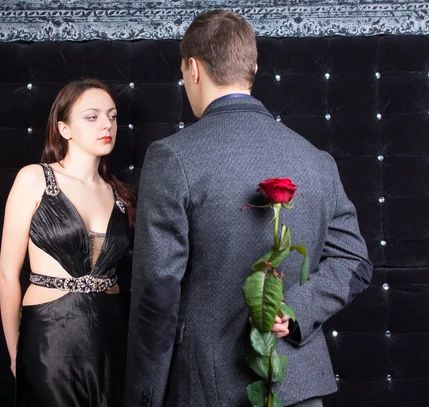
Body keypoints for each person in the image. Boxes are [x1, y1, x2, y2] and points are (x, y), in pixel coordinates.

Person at [124, 9, 373, 407]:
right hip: (300, 389)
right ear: (253, 66)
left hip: (209, 391)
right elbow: (355, 261)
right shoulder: (315, 158)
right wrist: (292, 312)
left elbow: (159, 295)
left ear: (192, 68)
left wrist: (144, 398)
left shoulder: (173, 157)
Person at [0, 79, 135, 407]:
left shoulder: (121, 195)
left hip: (108, 338)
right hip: (49, 340)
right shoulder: (33, 178)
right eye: (92, 116)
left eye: (113, 116)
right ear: (65, 128)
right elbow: (6, 274)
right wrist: (15, 350)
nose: (107, 124)